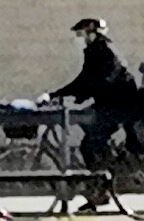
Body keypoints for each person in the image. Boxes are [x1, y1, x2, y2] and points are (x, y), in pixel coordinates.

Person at [55, 15, 133, 167]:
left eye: (80, 34)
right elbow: (85, 80)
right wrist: (62, 94)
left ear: (91, 34)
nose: (77, 38)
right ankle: (107, 164)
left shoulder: (102, 51)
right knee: (88, 128)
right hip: (110, 103)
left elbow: (95, 81)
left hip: (117, 106)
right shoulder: (97, 50)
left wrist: (74, 95)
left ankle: (105, 176)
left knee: (89, 144)